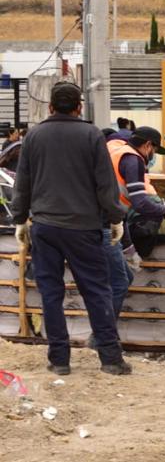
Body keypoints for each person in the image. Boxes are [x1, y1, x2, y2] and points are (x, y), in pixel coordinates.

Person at [10, 81, 131, 375]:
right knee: (97, 291)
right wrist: (116, 217)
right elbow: (105, 185)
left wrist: (19, 219)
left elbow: (22, 181)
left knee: (51, 293)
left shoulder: (34, 135)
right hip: (83, 227)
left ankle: (59, 360)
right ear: (79, 107)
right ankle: (111, 359)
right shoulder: (91, 135)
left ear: (50, 106)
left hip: (45, 227)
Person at [107, 127, 165, 306]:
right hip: (100, 227)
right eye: (154, 150)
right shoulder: (134, 160)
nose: (153, 155)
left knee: (123, 279)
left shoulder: (114, 149)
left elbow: (119, 208)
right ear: (148, 145)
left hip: (102, 220)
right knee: (120, 282)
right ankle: (103, 332)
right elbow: (140, 203)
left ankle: (104, 330)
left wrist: (129, 249)